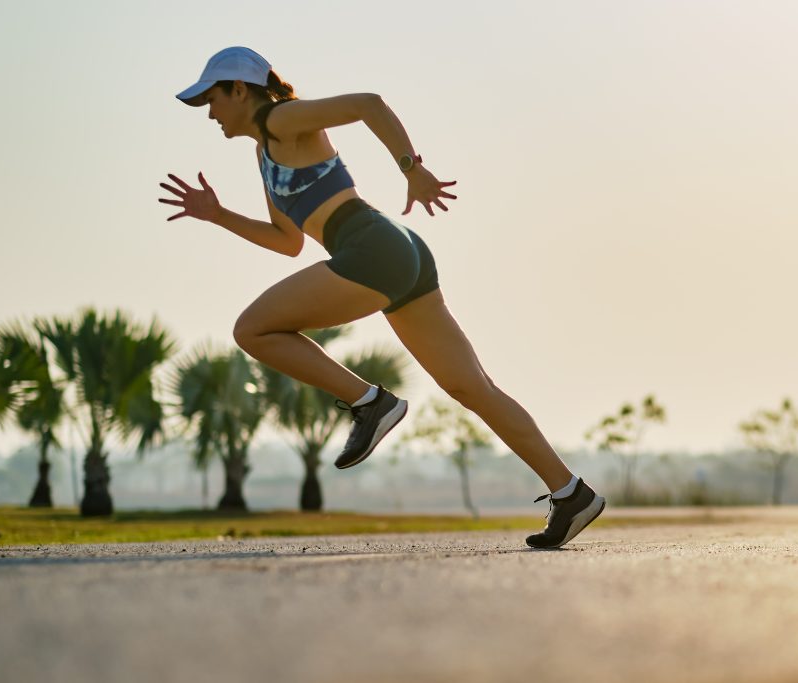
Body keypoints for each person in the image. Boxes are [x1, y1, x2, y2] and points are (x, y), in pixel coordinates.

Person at [159, 46, 605, 548]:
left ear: (241, 90)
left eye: (212, 99)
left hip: (371, 246)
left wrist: (411, 168)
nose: (210, 112)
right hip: (395, 251)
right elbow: (287, 241)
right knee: (473, 388)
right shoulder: (264, 152)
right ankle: (570, 493)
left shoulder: (282, 118)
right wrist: (218, 215)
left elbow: (369, 103)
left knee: (252, 329)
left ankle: (369, 403)